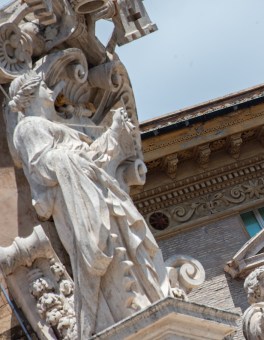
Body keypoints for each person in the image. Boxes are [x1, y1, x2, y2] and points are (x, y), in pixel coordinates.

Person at [7, 71, 171, 338]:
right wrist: (74, 158)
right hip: (77, 201)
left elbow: (91, 158)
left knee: (127, 247)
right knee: (104, 255)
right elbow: (42, 167)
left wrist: (115, 132)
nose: (52, 92)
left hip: (95, 192)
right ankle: (105, 319)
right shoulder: (28, 127)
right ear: (31, 94)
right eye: (44, 88)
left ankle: (137, 304)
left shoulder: (47, 126)